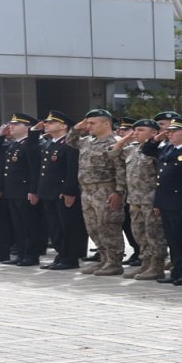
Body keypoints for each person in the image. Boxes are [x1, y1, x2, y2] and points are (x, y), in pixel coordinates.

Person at [66, 111, 127, 275]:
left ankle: (114, 262)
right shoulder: (88, 142)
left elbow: (121, 169)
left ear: (106, 124)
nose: (88, 126)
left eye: (92, 123)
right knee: (93, 228)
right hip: (87, 191)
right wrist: (77, 128)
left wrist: (119, 192)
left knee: (109, 226)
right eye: (88, 123)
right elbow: (70, 141)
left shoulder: (115, 142)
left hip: (106, 190)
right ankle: (104, 259)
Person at [142, 118, 182, 285]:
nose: (170, 133)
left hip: (181, 203)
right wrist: (156, 139)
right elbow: (147, 150)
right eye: (170, 130)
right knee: (172, 239)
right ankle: (177, 270)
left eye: (175, 131)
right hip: (166, 202)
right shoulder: (167, 148)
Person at [113, 120, 166, 281]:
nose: (135, 133)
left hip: (151, 199)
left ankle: (157, 267)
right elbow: (113, 153)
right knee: (139, 234)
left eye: (140, 130)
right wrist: (126, 138)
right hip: (134, 199)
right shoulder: (132, 149)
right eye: (134, 130)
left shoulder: (159, 149)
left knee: (154, 234)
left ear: (153, 133)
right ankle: (146, 263)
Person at [34, 112, 87, 270]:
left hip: (62, 193)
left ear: (63, 126)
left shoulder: (68, 144)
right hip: (49, 192)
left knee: (67, 226)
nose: (47, 124)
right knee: (55, 226)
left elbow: (72, 170)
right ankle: (62, 254)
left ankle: (70, 258)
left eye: (51, 122)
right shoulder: (52, 143)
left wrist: (70, 191)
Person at [0, 113, 44, 266]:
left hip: (25, 191)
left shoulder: (30, 144)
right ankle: (21, 254)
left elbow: (34, 169)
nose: (11, 126)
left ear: (27, 129)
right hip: (12, 191)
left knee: (29, 224)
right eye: (11, 123)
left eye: (16, 124)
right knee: (18, 225)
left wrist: (33, 190)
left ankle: (31, 255)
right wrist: (0, 136)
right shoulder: (14, 144)